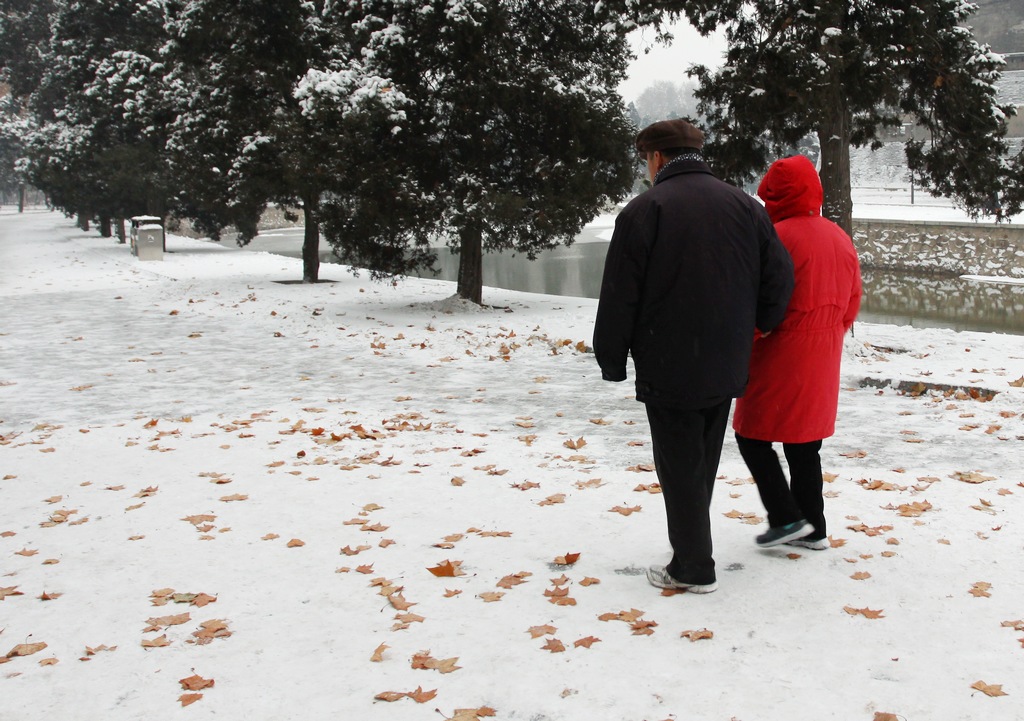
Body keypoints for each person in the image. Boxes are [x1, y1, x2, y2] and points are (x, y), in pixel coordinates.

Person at [593, 119, 794, 594]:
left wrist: (611, 357)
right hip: (725, 356)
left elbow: (621, 292)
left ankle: (693, 567)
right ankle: (690, 550)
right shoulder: (746, 207)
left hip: (668, 357)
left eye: (646, 159)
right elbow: (779, 279)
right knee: (700, 458)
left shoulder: (645, 210)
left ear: (658, 158)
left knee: (678, 461)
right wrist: (761, 322)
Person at [732, 154, 862, 551]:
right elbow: (853, 299)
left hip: (779, 352)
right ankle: (815, 527)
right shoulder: (839, 237)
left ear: (772, 195)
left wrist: (743, 340)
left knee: (751, 435)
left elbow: (760, 302)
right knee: (805, 444)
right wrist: (830, 335)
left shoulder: (775, 238)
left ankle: (786, 517)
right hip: (823, 353)